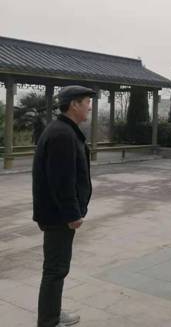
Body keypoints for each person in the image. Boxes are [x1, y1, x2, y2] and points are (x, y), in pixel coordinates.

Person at [33, 85, 97, 327]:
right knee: (55, 269)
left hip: (56, 213)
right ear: (74, 105)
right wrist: (72, 214)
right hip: (58, 216)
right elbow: (62, 181)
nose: (89, 107)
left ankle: (52, 312)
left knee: (57, 267)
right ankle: (48, 320)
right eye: (86, 102)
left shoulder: (63, 130)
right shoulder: (62, 134)